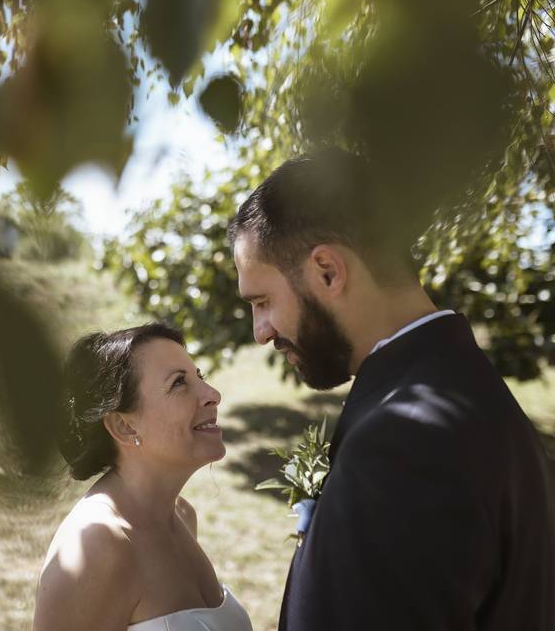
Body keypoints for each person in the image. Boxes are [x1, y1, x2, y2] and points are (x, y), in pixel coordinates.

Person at [228, 149, 555, 630]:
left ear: (327, 271)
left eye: (262, 301)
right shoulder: (468, 385)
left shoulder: (404, 441)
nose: (260, 332)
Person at [33, 323, 253, 631]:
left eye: (199, 377)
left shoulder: (182, 515)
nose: (213, 395)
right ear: (124, 426)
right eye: (179, 383)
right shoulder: (95, 546)